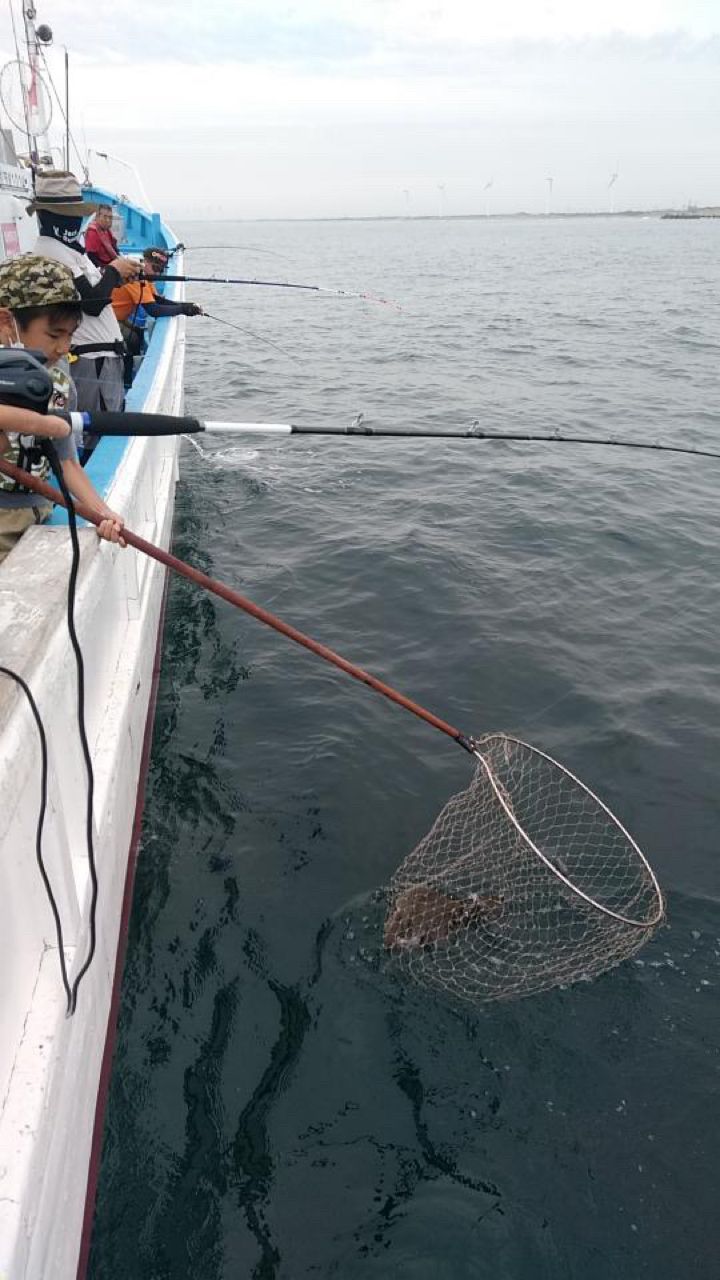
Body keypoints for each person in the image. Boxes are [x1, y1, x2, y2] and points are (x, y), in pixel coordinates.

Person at [0, 253, 125, 564]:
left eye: (70, 335)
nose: (64, 347)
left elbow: (68, 463)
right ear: (6, 322)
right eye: (54, 335)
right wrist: (45, 425)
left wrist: (103, 512)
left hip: (38, 516)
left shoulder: (58, 382)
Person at [29, 170, 137, 417]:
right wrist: (113, 270)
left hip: (102, 360)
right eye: (68, 216)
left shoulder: (68, 248)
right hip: (91, 362)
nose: (75, 221)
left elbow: (87, 289)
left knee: (106, 419)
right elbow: (91, 303)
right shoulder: (52, 254)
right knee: (96, 428)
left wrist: (115, 277)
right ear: (47, 215)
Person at [112, 247, 203, 384]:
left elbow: (157, 300)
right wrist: (182, 310)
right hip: (109, 319)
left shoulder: (144, 276)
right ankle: (126, 381)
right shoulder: (134, 277)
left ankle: (128, 374)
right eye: (155, 268)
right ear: (146, 262)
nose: (158, 273)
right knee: (132, 341)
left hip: (119, 317)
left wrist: (187, 306)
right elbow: (153, 310)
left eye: (161, 270)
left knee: (137, 335)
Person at [84, 203, 120, 268]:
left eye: (110, 217)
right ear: (98, 216)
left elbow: (114, 248)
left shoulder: (107, 230)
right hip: (103, 267)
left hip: (112, 263)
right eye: (105, 217)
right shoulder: (92, 232)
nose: (108, 220)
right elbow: (91, 257)